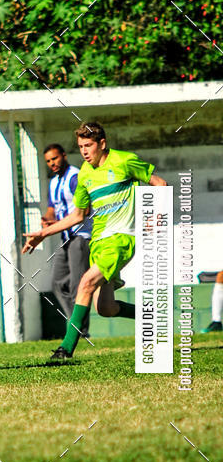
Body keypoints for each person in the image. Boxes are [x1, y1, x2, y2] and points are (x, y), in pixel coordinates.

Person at [23, 122, 167, 361]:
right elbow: (77, 216)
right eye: (81, 146)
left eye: (88, 145)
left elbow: (160, 184)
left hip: (121, 239)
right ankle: (154, 316)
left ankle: (65, 349)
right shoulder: (85, 174)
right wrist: (44, 233)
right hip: (97, 243)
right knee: (106, 308)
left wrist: (156, 217)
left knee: (85, 282)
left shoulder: (125, 161)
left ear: (102, 143)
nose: (84, 151)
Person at [42, 143, 91, 336]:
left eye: (54, 158)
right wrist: (47, 219)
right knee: (56, 283)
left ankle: (80, 330)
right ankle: (76, 324)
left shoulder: (74, 177)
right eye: (48, 161)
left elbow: (85, 209)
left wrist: (57, 222)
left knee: (76, 285)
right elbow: (52, 209)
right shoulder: (54, 182)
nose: (52, 163)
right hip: (65, 238)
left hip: (80, 235)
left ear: (64, 155)